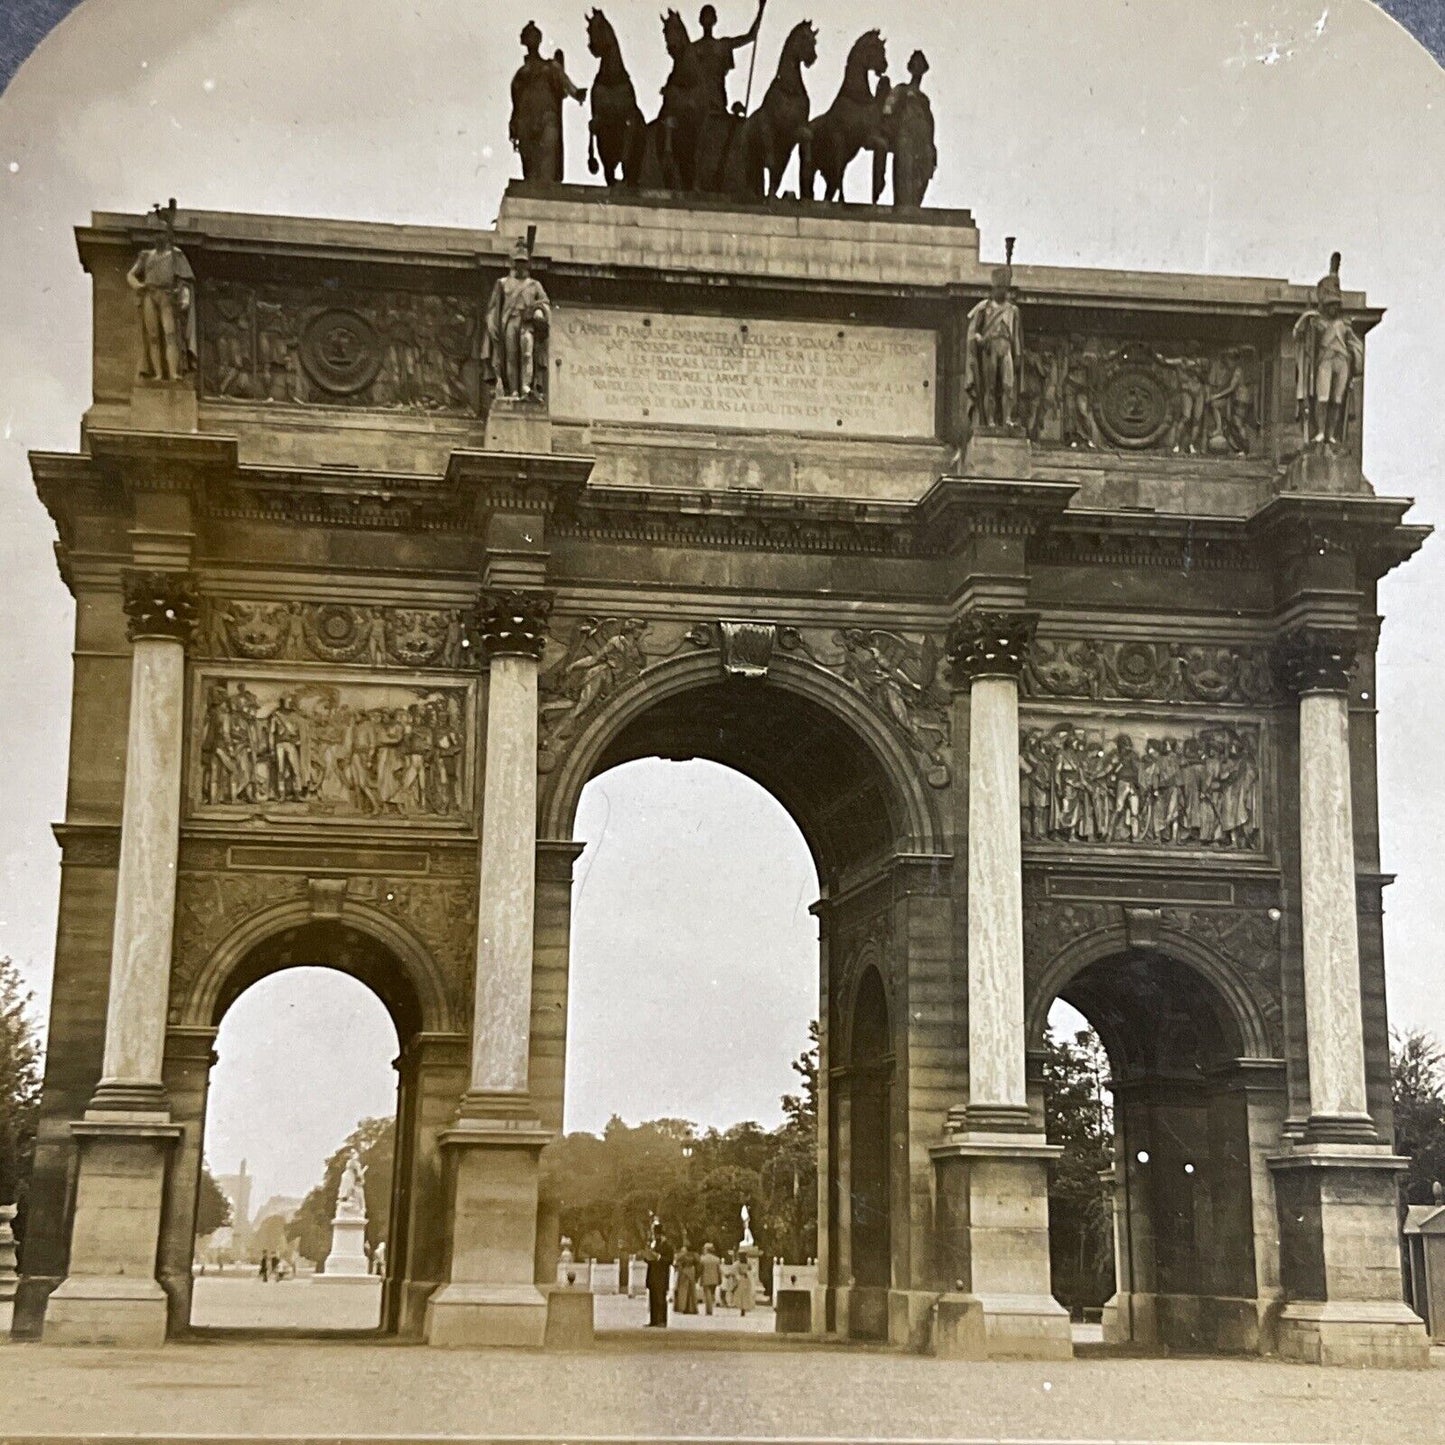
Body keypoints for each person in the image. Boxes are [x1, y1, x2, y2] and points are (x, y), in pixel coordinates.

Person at [508, 21, 587, 182]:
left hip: (547, 117)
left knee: (548, 164)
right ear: (524, 41)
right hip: (526, 120)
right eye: (529, 37)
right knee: (530, 170)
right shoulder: (520, 75)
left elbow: (565, 82)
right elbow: (516, 102)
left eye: (535, 37)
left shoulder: (550, 66)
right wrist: (514, 123)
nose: (532, 40)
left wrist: (576, 93)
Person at [126, 199, 195, 381]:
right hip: (150, 295)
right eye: (156, 235)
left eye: (162, 234)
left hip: (166, 297)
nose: (158, 238)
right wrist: (137, 286)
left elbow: (185, 279)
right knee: (154, 336)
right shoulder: (146, 256)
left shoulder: (175, 254)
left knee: (170, 334)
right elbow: (131, 275)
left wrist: (185, 297)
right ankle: (158, 374)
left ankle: (172, 372)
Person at [485, 240, 551, 401]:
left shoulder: (535, 285)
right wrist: (492, 326)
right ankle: (513, 391)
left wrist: (539, 311)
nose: (521, 265)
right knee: (511, 357)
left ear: (528, 264)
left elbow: (544, 302)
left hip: (527, 324)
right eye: (518, 262)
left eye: (523, 262)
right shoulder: (502, 283)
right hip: (509, 323)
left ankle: (526, 387)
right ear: (512, 262)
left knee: (527, 355)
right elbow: (493, 307)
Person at [693, 1, 766, 116]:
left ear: (714, 20)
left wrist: (761, 11)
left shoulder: (723, 45)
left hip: (718, 101)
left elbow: (751, 36)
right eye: (705, 16)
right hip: (697, 102)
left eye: (710, 16)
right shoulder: (693, 49)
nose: (707, 19)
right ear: (700, 21)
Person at [643, 1221, 673, 1327]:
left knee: (661, 1299)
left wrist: (658, 1257)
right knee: (653, 1299)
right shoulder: (653, 1244)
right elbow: (650, 1259)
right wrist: (647, 1257)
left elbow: (670, 1260)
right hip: (652, 1275)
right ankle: (653, 1320)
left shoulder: (667, 1245)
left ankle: (662, 1321)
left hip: (661, 1275)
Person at [673, 1242, 699, 1315]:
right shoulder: (695, 1256)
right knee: (691, 1291)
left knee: (682, 1291)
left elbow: (676, 1264)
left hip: (684, 1272)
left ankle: (682, 1307)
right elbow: (698, 1264)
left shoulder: (683, 1256)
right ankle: (691, 1308)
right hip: (692, 1272)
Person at [698, 1241, 723, 1316]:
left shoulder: (702, 1259)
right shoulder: (717, 1259)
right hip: (715, 1278)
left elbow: (700, 1269)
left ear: (706, 1249)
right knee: (711, 1294)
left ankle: (708, 1310)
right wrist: (719, 1279)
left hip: (706, 1278)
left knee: (707, 1294)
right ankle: (710, 1308)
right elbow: (719, 1270)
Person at [732, 1248, 754, 1317]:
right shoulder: (746, 1263)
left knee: (743, 1294)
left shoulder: (738, 1263)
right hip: (745, 1279)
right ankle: (743, 1307)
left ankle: (743, 1308)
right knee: (743, 1294)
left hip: (742, 1279)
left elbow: (735, 1272)